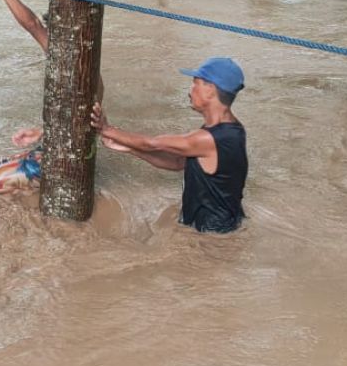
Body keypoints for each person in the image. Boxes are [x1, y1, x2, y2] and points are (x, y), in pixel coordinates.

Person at [90, 57, 248, 234]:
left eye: (195, 83)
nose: (190, 91)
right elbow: (178, 162)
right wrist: (130, 148)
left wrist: (107, 129)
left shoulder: (207, 139)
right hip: (222, 226)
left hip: (211, 235)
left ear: (210, 89)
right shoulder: (234, 130)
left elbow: (153, 144)